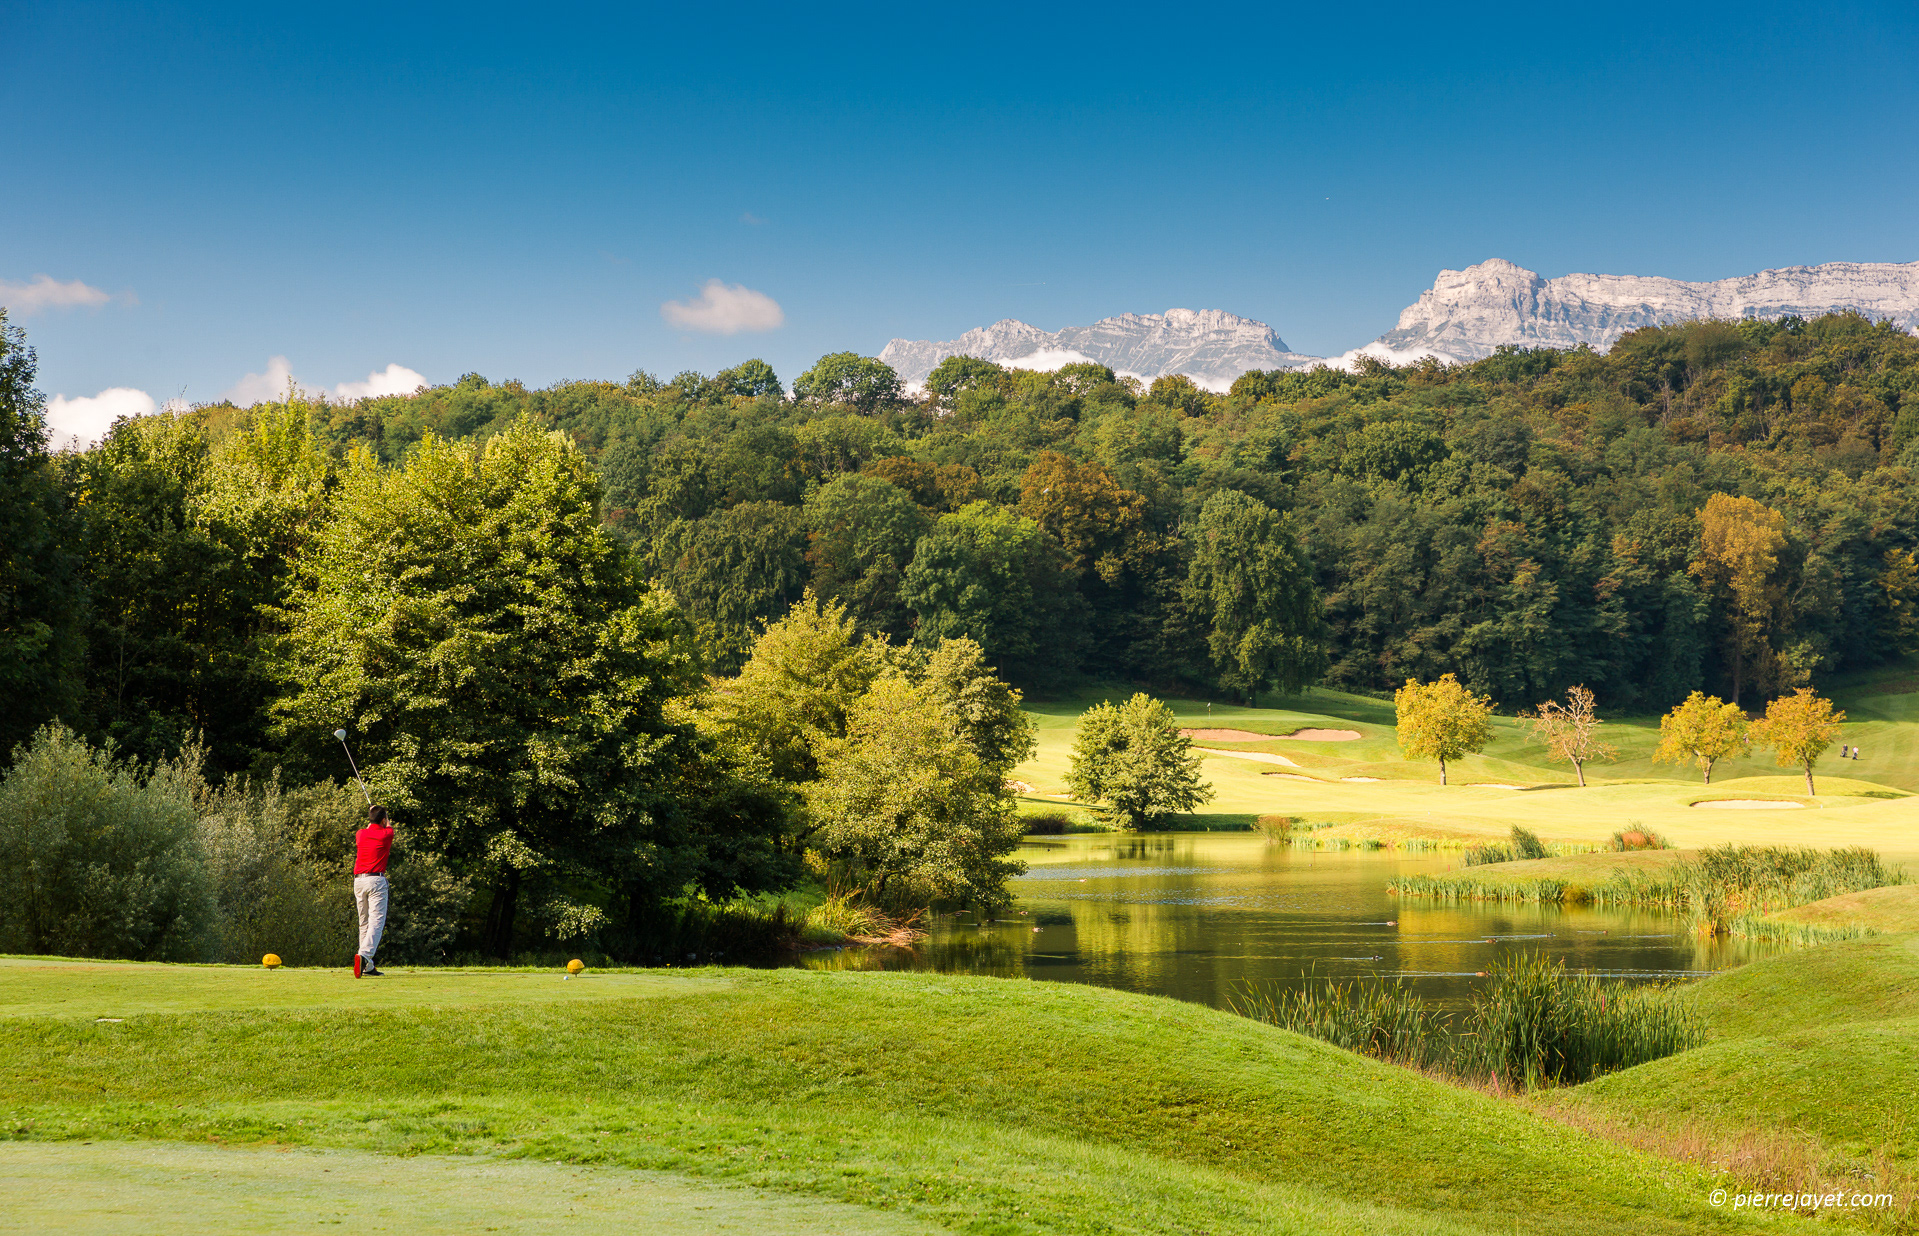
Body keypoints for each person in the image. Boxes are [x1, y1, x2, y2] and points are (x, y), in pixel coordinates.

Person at [353, 805, 396, 978]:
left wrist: (376, 814)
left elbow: (374, 825)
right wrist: (385, 818)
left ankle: (367, 966)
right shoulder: (387, 834)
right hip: (376, 880)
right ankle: (364, 954)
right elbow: (389, 827)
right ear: (383, 820)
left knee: (364, 923)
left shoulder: (360, 834)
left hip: (359, 881)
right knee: (376, 922)